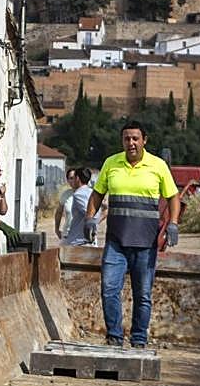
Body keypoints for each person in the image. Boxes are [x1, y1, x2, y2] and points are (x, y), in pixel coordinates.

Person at [86, 121, 180, 347]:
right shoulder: (111, 163)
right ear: (122, 141)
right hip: (116, 242)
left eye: (135, 138)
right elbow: (97, 194)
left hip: (145, 243)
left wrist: (173, 223)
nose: (131, 143)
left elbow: (173, 197)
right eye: (127, 138)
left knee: (143, 295)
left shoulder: (157, 166)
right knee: (109, 290)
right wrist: (91, 218)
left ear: (144, 140)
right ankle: (115, 337)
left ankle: (139, 339)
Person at [58, 168, 95, 246]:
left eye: (74, 178)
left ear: (78, 178)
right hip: (68, 234)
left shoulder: (86, 194)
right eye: (70, 178)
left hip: (83, 238)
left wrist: (92, 224)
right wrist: (56, 229)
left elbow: (95, 212)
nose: (73, 180)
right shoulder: (65, 194)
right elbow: (59, 212)